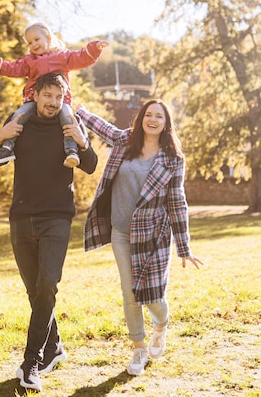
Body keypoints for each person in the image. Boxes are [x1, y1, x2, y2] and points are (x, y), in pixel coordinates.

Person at [0, 73, 98, 392]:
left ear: (63, 98)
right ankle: (55, 347)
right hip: (21, 217)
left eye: (57, 97)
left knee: (48, 283)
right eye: (46, 95)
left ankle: (30, 363)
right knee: (35, 291)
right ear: (35, 95)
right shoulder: (19, 121)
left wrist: (81, 141)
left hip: (57, 217)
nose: (51, 102)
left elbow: (89, 165)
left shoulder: (69, 123)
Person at [77, 100, 203, 376]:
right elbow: (103, 128)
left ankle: (161, 326)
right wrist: (80, 112)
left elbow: (177, 202)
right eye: (149, 114)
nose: (153, 119)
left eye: (159, 116)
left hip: (154, 235)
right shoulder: (125, 141)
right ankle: (138, 348)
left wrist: (184, 247)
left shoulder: (172, 159)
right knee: (130, 293)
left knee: (154, 295)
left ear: (166, 123)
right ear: (142, 118)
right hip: (121, 231)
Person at [0, 22, 109, 168]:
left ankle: (71, 150)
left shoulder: (61, 56)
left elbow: (80, 57)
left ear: (48, 37)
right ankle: (7, 148)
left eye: (36, 39)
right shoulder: (29, 61)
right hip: (31, 99)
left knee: (68, 118)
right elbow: (12, 68)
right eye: (30, 42)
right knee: (18, 115)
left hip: (63, 101)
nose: (33, 44)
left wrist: (94, 47)